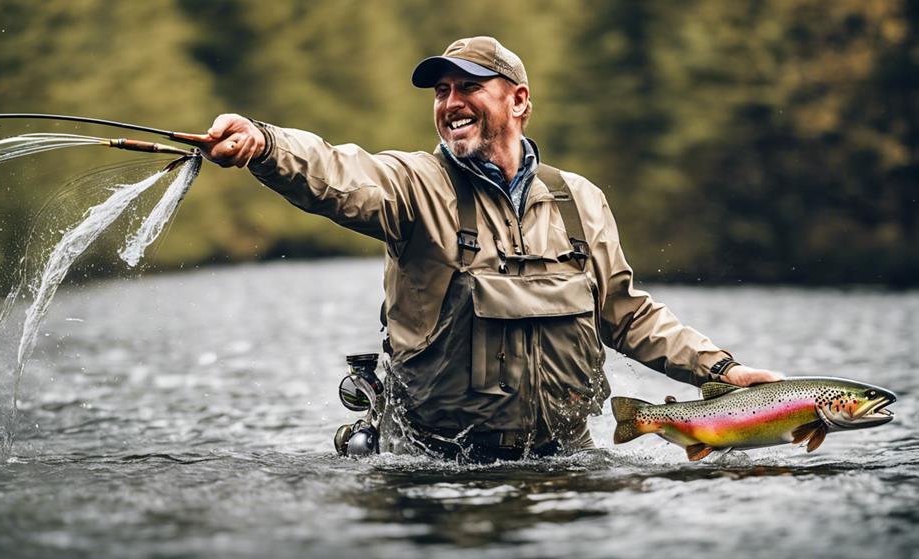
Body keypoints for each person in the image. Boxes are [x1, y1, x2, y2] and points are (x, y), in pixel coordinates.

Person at [187, 36, 781, 461]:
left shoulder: (580, 199)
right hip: (436, 467)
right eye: (442, 91)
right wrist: (265, 144)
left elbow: (626, 313)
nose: (450, 103)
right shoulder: (415, 184)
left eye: (469, 87)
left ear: (518, 101)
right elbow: (340, 173)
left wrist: (722, 370)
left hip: (565, 462)